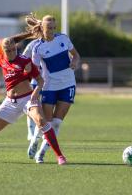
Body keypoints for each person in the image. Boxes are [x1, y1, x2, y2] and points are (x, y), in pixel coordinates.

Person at [0, 35, 67, 165]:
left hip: (27, 99)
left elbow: (40, 80)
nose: (11, 53)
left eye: (13, 49)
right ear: (3, 51)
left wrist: (34, 94)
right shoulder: (2, 59)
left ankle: (60, 156)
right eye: (8, 51)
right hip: (10, 102)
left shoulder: (24, 61)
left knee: (41, 121)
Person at [25, 14, 81, 163]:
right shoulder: (37, 47)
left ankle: (41, 153)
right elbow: (35, 71)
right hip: (50, 86)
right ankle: (35, 140)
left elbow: (76, 55)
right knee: (46, 123)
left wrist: (74, 62)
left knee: (57, 123)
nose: (51, 30)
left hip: (68, 84)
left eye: (53, 27)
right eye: (48, 27)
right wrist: (35, 89)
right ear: (42, 28)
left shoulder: (63, 38)